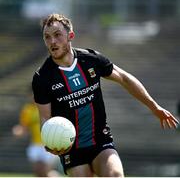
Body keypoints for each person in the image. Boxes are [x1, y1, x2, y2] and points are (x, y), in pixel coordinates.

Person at [32, 13, 179, 177]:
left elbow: (124, 78)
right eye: (47, 37)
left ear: (70, 36)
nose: (52, 41)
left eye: (57, 35)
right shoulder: (42, 78)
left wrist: (154, 106)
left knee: (115, 175)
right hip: (71, 148)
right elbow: (45, 117)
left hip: (100, 140)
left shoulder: (91, 60)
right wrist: (49, 140)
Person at [12, 89, 60, 177]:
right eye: (32, 95)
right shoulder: (27, 109)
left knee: (45, 171)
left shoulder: (50, 106)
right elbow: (24, 127)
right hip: (35, 145)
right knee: (38, 172)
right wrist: (18, 131)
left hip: (50, 144)